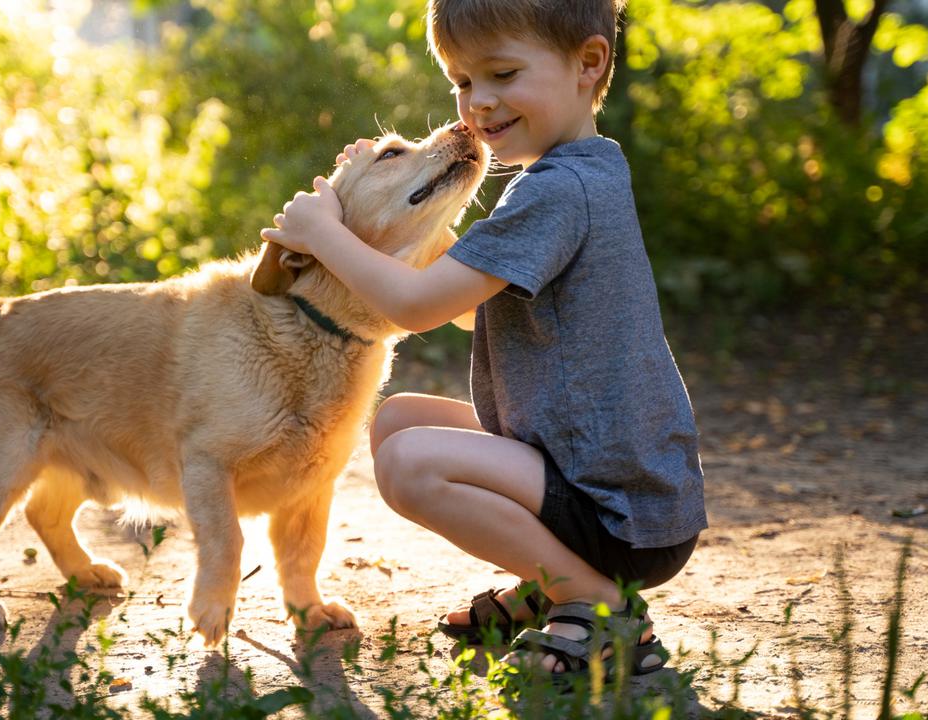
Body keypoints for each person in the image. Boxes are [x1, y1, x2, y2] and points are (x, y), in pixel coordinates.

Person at [259, 0, 706, 683]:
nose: (479, 102)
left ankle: (598, 604)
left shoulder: (558, 191)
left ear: (589, 63)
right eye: (464, 82)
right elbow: (472, 309)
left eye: (502, 74)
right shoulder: (580, 172)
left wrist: (325, 235)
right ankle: (550, 583)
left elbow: (418, 306)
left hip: (620, 512)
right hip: (609, 478)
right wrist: (381, 201)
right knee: (398, 418)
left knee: (409, 464)